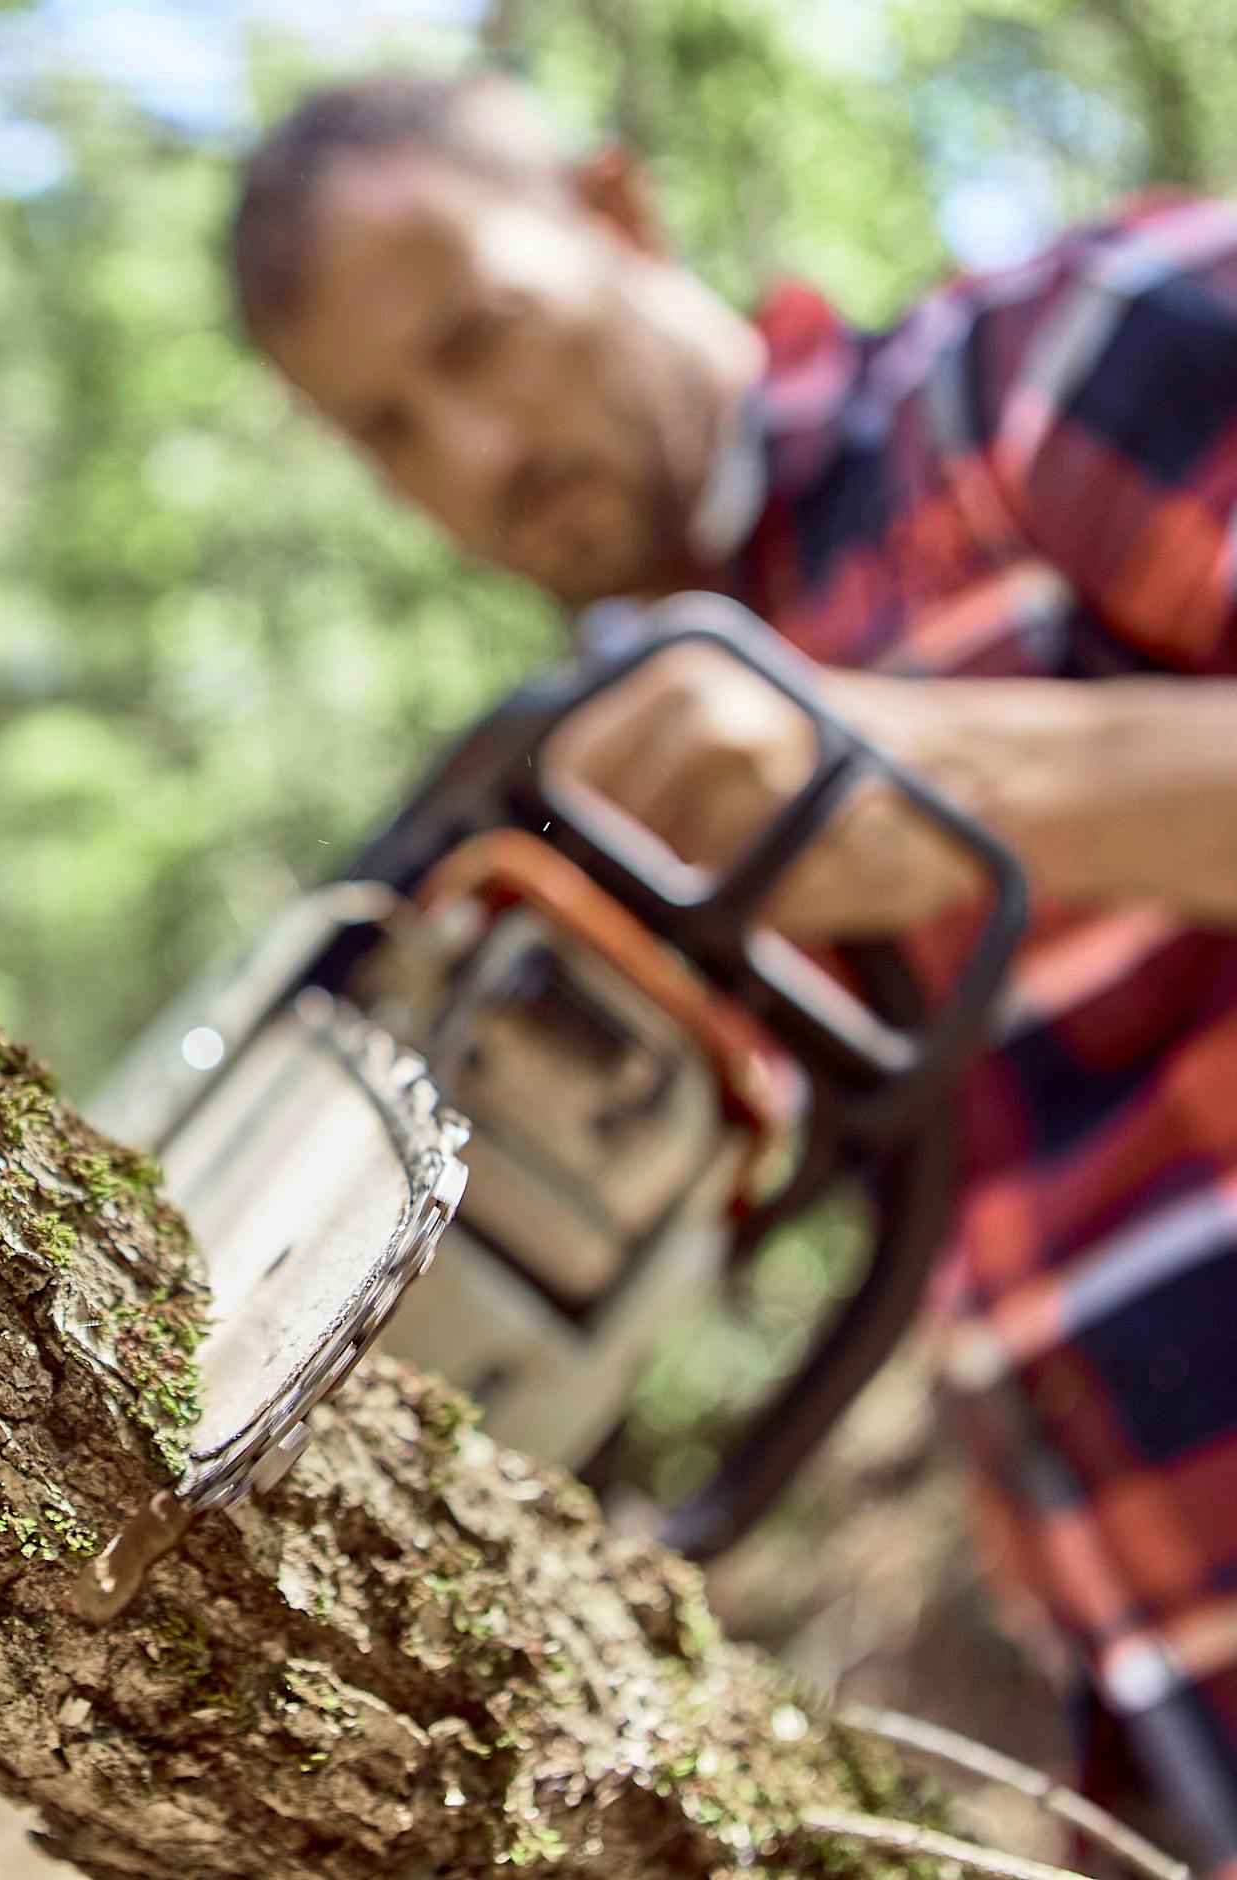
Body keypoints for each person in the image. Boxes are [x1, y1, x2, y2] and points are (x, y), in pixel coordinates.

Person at [230, 70, 1237, 1869]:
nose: (471, 456)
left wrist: (944, 773)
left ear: (620, 216)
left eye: (482, 338)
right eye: (385, 428)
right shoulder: (627, 792)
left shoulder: (1053, 374)